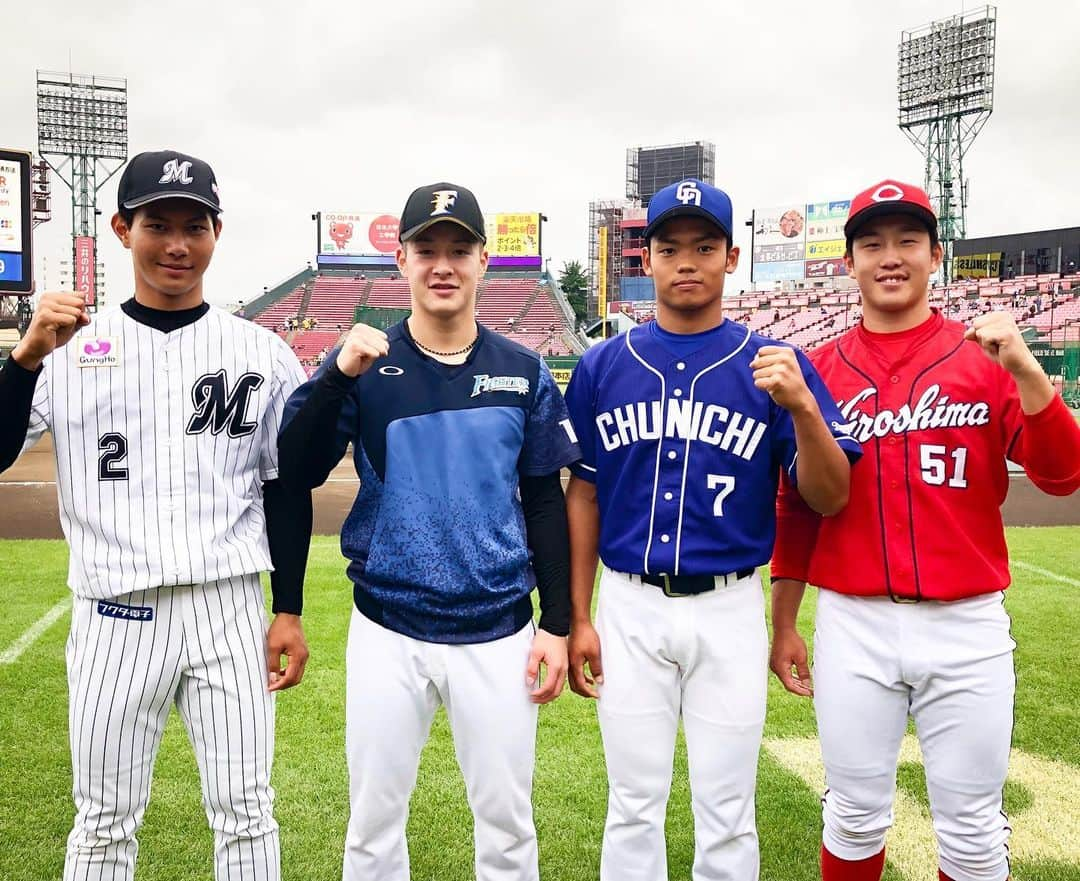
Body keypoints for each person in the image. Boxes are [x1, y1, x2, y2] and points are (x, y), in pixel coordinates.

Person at [0, 150, 313, 881]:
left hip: (227, 606)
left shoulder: (261, 353)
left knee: (247, 810)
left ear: (216, 233)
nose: (177, 243)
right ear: (121, 229)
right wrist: (24, 358)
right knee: (104, 820)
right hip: (115, 615)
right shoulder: (67, 350)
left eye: (194, 226)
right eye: (158, 224)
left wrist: (290, 607)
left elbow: (285, 484)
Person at [769, 179, 1080, 881]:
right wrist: (785, 619)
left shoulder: (985, 356)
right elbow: (797, 505)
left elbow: (1062, 476)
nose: (890, 256)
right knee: (851, 812)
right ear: (847, 262)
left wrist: (1029, 371)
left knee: (972, 831)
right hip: (854, 622)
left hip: (966, 625)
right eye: (871, 243)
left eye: (907, 240)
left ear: (935, 254)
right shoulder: (820, 371)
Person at [277, 182, 580, 881]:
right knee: (374, 824)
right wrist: (333, 380)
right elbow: (295, 469)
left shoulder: (525, 371)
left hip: (499, 629)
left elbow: (543, 500)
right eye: (427, 250)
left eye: (458, 250)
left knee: (507, 824)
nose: (443, 265)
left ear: (483, 261)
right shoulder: (362, 364)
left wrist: (557, 623)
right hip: (388, 627)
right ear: (402, 262)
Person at [563, 178, 861, 881]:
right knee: (633, 804)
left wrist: (804, 412)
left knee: (728, 810)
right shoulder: (605, 364)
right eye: (671, 247)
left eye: (705, 246)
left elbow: (829, 495)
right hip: (629, 606)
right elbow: (583, 493)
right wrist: (578, 614)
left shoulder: (776, 365)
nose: (687, 260)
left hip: (730, 608)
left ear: (732, 258)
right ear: (650, 261)